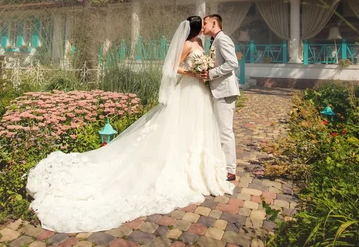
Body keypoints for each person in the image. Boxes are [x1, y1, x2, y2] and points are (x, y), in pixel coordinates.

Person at [26, 16, 234, 233]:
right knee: (181, 127)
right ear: (193, 29)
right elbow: (172, 68)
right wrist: (193, 73)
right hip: (189, 89)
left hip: (201, 92)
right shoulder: (187, 44)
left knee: (199, 128)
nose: (203, 27)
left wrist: (207, 72)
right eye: (200, 25)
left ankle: (202, 166)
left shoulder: (201, 44)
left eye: (204, 24)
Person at [201, 14, 240, 182]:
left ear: (214, 23)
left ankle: (229, 170)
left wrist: (211, 73)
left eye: (205, 23)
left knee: (225, 131)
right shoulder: (214, 41)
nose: (202, 27)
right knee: (220, 131)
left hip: (225, 92)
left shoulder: (222, 39)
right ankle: (222, 164)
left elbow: (232, 63)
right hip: (219, 91)